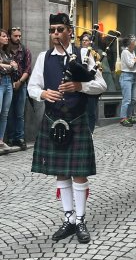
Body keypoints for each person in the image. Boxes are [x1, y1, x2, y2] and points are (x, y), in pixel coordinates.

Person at [28, 13, 107, 243]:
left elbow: (101, 84)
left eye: (60, 29)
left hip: (77, 119)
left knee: (79, 174)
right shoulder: (45, 57)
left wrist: (80, 86)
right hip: (53, 120)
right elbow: (33, 86)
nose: (55, 34)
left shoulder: (84, 55)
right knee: (61, 173)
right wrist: (43, 93)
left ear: (70, 31)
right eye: (52, 30)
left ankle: (80, 220)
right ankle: (69, 218)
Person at [5, 27, 31, 150]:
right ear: (10, 36)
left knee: (20, 113)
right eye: (15, 36)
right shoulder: (5, 51)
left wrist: (20, 82)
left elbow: (28, 69)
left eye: (20, 36)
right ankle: (10, 138)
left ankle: (19, 137)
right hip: (8, 84)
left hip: (21, 84)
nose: (18, 38)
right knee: (9, 113)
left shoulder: (25, 50)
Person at [119, 35, 136, 127]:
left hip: (134, 76)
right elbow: (130, 64)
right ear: (130, 44)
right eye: (135, 42)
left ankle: (129, 117)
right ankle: (123, 118)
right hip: (126, 76)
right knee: (127, 99)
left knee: (133, 99)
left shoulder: (132, 52)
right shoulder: (125, 52)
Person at [0, 29, 17, 152]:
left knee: (5, 113)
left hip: (8, 82)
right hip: (0, 83)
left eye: (6, 36)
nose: (7, 38)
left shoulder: (6, 52)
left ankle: (0, 140)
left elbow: (15, 66)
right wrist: (10, 66)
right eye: (4, 36)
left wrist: (7, 65)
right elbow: (11, 66)